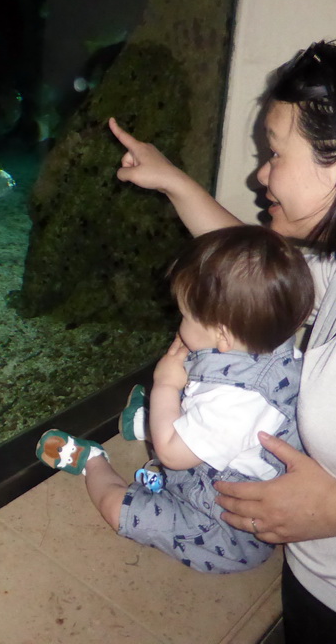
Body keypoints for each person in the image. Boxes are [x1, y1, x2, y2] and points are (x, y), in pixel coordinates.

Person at [108, 39, 336, 643]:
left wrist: (334, 508)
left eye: (274, 153)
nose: (260, 175)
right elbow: (252, 276)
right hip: (316, 586)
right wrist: (173, 182)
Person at [37, 225, 314, 574]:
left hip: (224, 520)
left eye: (185, 315)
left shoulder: (235, 403)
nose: (179, 322)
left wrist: (165, 385)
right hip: (224, 450)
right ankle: (147, 423)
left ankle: (94, 461)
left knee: (118, 511)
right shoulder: (266, 345)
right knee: (186, 400)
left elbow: (171, 454)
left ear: (223, 334)